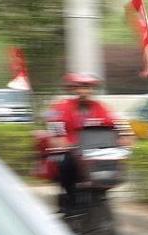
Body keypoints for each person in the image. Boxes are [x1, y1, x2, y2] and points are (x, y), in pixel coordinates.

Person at [45, 72, 132, 202]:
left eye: (87, 87)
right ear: (73, 89)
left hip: (96, 155)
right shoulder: (61, 107)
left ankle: (101, 196)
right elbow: (56, 132)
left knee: (112, 166)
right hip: (72, 154)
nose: (84, 91)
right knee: (64, 163)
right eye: (80, 87)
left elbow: (119, 125)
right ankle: (69, 199)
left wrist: (125, 137)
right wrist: (63, 143)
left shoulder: (102, 107)